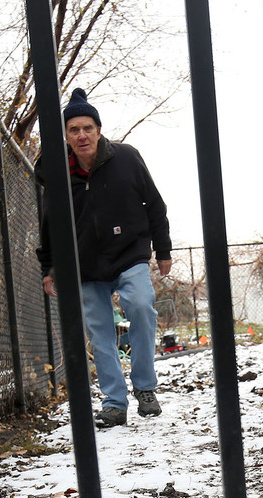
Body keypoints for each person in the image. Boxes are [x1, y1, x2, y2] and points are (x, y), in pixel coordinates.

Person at [36, 88, 172, 428]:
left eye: (87, 128)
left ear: (98, 130)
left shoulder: (126, 158)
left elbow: (154, 205)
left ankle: (144, 386)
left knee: (141, 305)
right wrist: (50, 266)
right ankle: (114, 401)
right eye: (73, 130)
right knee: (100, 333)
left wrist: (164, 249)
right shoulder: (57, 173)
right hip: (84, 264)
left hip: (129, 254)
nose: (81, 136)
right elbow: (49, 223)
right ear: (66, 136)